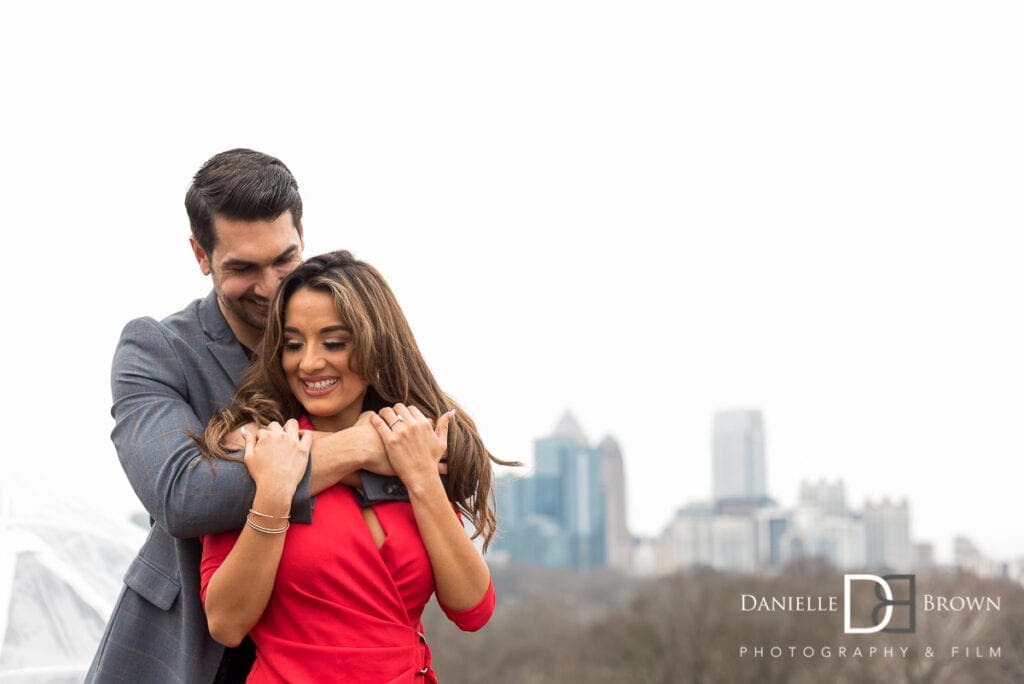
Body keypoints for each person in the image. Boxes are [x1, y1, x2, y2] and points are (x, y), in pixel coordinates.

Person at [87, 150, 416, 683]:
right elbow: (182, 497)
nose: (270, 286)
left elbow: (441, 456)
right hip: (186, 652)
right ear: (200, 254)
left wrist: (400, 460)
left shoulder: (351, 339)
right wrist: (362, 447)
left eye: (283, 260)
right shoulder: (155, 350)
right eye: (242, 268)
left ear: (303, 237)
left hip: (326, 652)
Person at [196, 250, 507, 682]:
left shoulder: (412, 448)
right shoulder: (260, 448)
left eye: (334, 342)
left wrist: (421, 479)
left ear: (374, 343)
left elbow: (473, 608)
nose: (308, 363)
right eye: (292, 344)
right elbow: (226, 624)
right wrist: (274, 492)